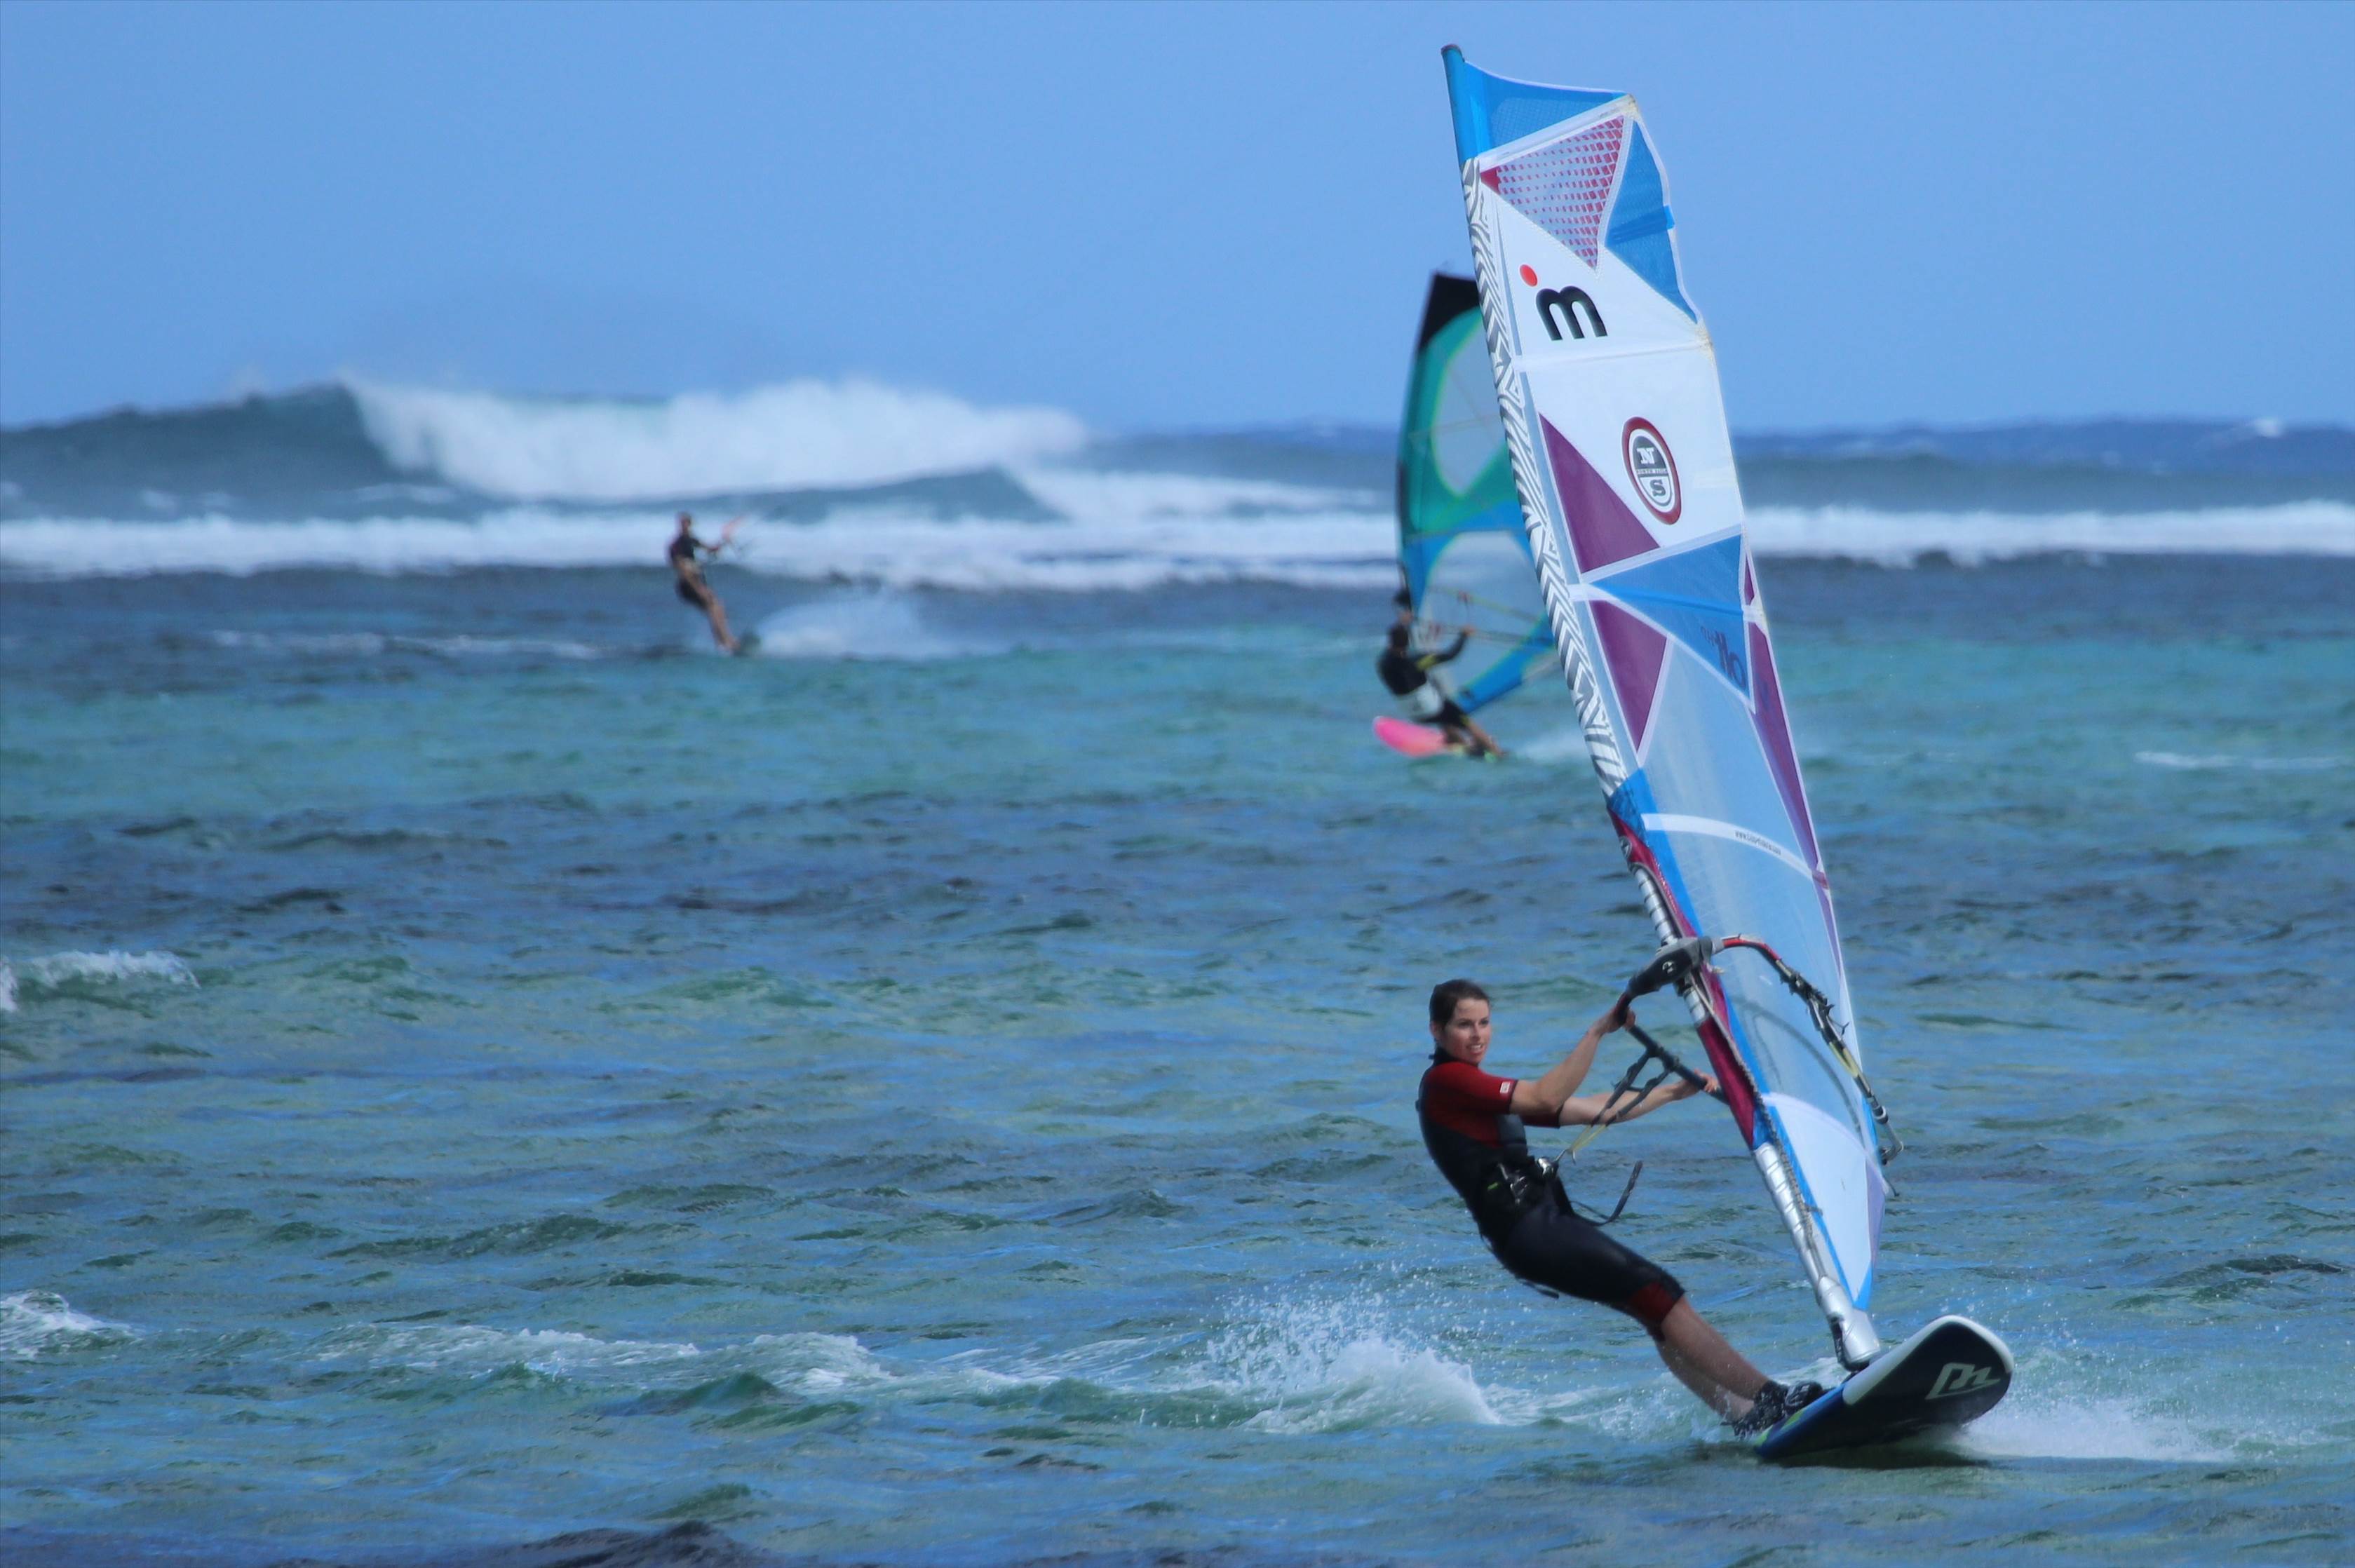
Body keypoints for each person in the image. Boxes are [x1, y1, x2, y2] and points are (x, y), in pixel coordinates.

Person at [1416, 978, 1822, 1435]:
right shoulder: (1447, 1082)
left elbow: (1596, 1109)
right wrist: (1597, 1033)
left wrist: (1671, 1093)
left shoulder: (1475, 1090)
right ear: (1437, 1030)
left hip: (1536, 1227)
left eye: (1485, 1023)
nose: (1477, 1035)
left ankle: (1744, 1417)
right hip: (1529, 1229)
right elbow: (1547, 1096)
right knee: (1660, 1292)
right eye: (1464, 1025)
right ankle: (1772, 1398)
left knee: (1652, 1310)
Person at [1377, 623, 1504, 757]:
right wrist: (1464, 636)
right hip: (1431, 706)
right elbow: (1450, 655)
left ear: (1390, 641)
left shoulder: (1382, 663)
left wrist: (1405, 625)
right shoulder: (1418, 661)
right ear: (1407, 642)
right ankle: (1497, 753)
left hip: (1413, 713)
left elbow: (1397, 653)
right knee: (1465, 721)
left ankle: (1457, 741)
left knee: (1444, 715)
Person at [668, 511, 738, 654]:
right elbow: (683, 569)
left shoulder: (692, 540)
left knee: (717, 608)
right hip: (688, 585)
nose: (685, 526)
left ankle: (723, 642)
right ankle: (727, 642)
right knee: (713, 607)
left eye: (687, 523)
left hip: (697, 583)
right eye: (682, 524)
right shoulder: (677, 545)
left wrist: (723, 542)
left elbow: (710, 549)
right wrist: (699, 589)